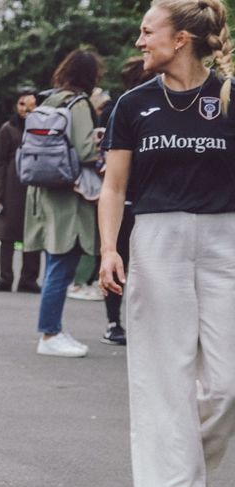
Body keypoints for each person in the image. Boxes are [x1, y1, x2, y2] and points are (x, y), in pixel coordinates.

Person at [99, 0, 235, 487]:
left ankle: (181, 470)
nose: (140, 40)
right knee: (163, 381)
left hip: (226, 240)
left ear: (180, 38)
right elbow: (113, 186)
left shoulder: (229, 98)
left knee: (226, 386)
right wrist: (110, 248)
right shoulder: (132, 104)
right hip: (156, 241)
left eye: (147, 31)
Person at [23, 49, 101, 358]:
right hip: (70, 195)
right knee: (61, 265)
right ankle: (50, 332)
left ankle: (53, 327)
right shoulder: (78, 103)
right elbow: (84, 152)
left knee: (54, 261)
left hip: (45, 191)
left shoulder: (50, 100)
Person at [95, 57, 151, 346]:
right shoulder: (126, 106)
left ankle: (114, 322)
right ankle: (118, 321)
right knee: (125, 262)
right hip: (129, 196)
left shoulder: (111, 108)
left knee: (119, 263)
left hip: (130, 197)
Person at [0, 89, 41, 293]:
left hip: (34, 186)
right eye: (21, 104)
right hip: (12, 185)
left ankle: (29, 279)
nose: (26, 109)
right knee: (6, 234)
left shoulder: (41, 127)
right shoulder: (8, 129)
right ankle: (5, 278)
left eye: (31, 104)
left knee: (33, 233)